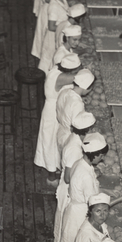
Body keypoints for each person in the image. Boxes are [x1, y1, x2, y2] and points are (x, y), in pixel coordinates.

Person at [56, 133, 110, 242]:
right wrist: (121, 199)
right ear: (94, 154)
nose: (102, 158)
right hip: (79, 215)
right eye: (101, 156)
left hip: (74, 210)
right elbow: (95, 205)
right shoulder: (85, 174)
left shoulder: (80, 163)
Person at [34, 53, 82, 185]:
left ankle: (54, 169)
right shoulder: (61, 78)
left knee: (53, 142)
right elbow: (82, 78)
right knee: (50, 142)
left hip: (56, 108)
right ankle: (51, 177)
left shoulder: (56, 68)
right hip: (52, 111)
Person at [54, 111, 96, 242]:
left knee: (65, 229)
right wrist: (84, 175)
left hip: (70, 189)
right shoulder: (75, 149)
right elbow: (68, 177)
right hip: (69, 191)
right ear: (88, 130)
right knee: (66, 233)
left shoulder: (75, 139)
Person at [38, 0, 71, 73]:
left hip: (58, 34)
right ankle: (43, 80)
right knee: (48, 59)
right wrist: (65, 28)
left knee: (53, 59)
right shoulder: (54, 6)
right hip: (52, 36)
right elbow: (51, 26)